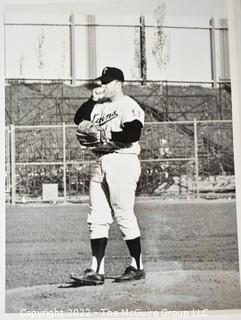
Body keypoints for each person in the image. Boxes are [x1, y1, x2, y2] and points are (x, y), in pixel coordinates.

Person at [72, 66, 145, 285]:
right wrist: (91, 99)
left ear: (119, 83)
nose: (102, 85)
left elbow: (133, 133)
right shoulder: (100, 106)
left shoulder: (129, 105)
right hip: (101, 161)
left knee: (123, 214)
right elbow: (79, 119)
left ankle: (137, 266)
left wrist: (106, 133)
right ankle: (96, 270)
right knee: (97, 216)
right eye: (101, 82)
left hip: (123, 159)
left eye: (107, 82)